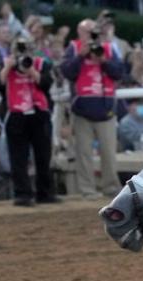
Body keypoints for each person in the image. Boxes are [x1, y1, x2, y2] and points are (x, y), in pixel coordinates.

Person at [60, 18, 125, 198]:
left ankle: (111, 188)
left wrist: (104, 60)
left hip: (106, 107)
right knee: (84, 153)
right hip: (82, 109)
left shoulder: (109, 48)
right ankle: (87, 190)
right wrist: (81, 55)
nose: (91, 35)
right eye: (87, 31)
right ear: (80, 32)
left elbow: (119, 72)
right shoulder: (74, 47)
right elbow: (66, 72)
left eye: (94, 31)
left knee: (109, 153)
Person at [0, 34, 59, 206]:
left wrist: (31, 70)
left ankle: (45, 192)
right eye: (19, 48)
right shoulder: (7, 64)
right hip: (16, 114)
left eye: (26, 48)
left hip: (39, 114)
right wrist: (7, 68)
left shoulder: (42, 64)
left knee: (43, 155)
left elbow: (46, 84)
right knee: (18, 157)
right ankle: (23, 194)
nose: (23, 52)